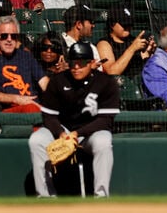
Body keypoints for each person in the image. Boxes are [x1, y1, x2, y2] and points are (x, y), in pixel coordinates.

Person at [28, 41, 118, 198]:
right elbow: (49, 115)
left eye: (81, 63)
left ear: (91, 63)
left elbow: (105, 120)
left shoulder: (106, 82)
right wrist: (60, 132)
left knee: (104, 142)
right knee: (36, 140)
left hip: (91, 132)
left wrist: (78, 133)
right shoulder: (58, 81)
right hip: (62, 130)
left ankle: (101, 197)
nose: (76, 67)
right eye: (73, 63)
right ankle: (45, 197)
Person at [0, 15, 48, 112]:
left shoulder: (26, 56)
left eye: (13, 36)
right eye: (4, 36)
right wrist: (17, 99)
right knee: (32, 109)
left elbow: (44, 83)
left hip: (34, 106)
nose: (9, 40)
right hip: (6, 111)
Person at [96, 5, 155, 78]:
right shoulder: (104, 44)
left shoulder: (135, 41)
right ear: (112, 24)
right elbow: (111, 72)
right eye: (124, 24)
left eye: (130, 24)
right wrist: (132, 49)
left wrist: (149, 53)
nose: (128, 27)